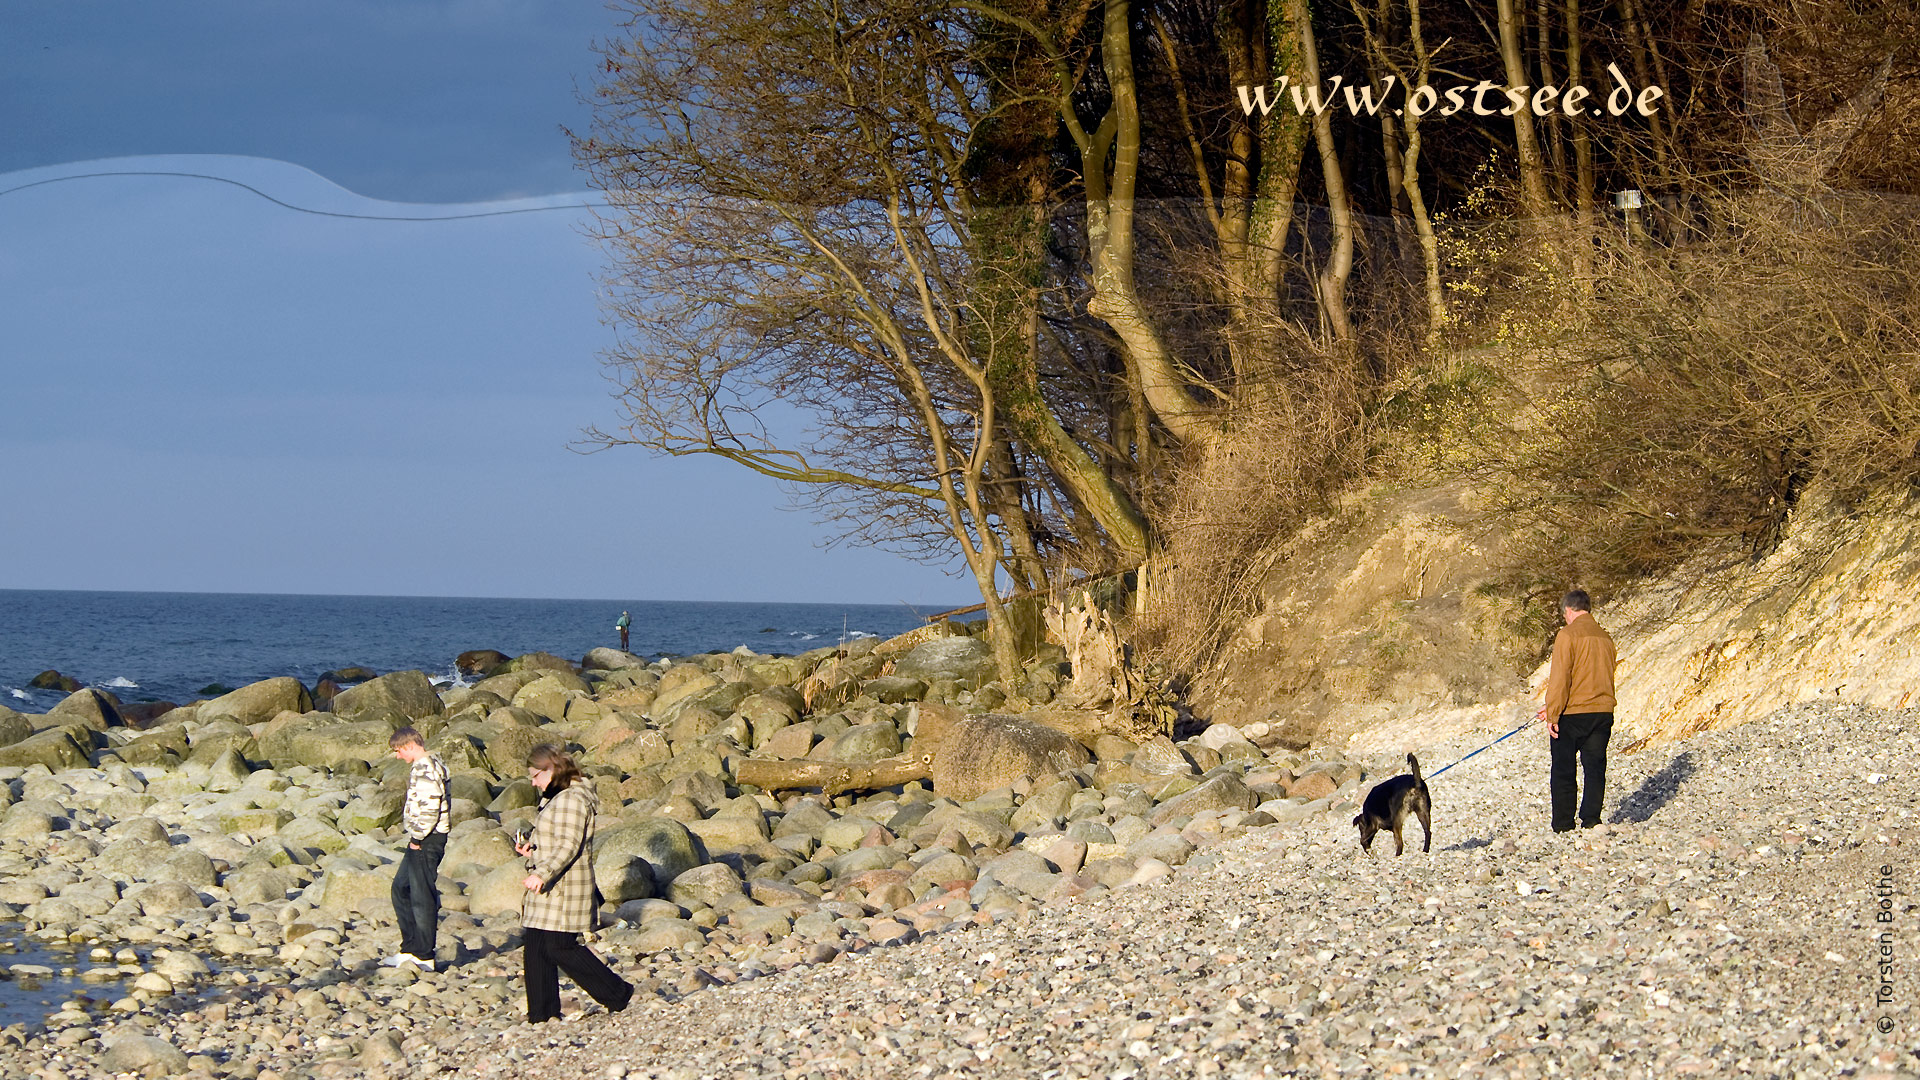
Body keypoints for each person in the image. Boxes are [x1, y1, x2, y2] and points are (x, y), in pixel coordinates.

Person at [513, 744, 633, 1022]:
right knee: (536, 948)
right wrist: (532, 848)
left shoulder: (572, 799)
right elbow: (556, 838)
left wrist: (541, 874)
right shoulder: (556, 795)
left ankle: (617, 992)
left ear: (551, 769)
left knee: (560, 947)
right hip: (550, 885)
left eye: (535, 776)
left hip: (563, 887)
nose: (532, 782)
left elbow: (569, 845)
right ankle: (541, 1015)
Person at [1535, 589, 1619, 832]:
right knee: (1595, 767)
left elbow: (1561, 677)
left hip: (1573, 714)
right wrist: (1552, 706)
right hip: (1602, 711)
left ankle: (1563, 823)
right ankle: (1591, 819)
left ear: (1569, 610)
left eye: (1564, 615)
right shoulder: (1606, 637)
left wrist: (1553, 713)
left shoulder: (1567, 634)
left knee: (1563, 769)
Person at [387, 727, 450, 970]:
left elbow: (430, 807)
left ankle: (423, 954)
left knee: (421, 895)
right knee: (401, 888)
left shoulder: (426, 767)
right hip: (424, 838)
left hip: (428, 839)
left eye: (398, 751)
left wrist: (418, 837)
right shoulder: (430, 763)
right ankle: (411, 948)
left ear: (409, 746)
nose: (397, 756)